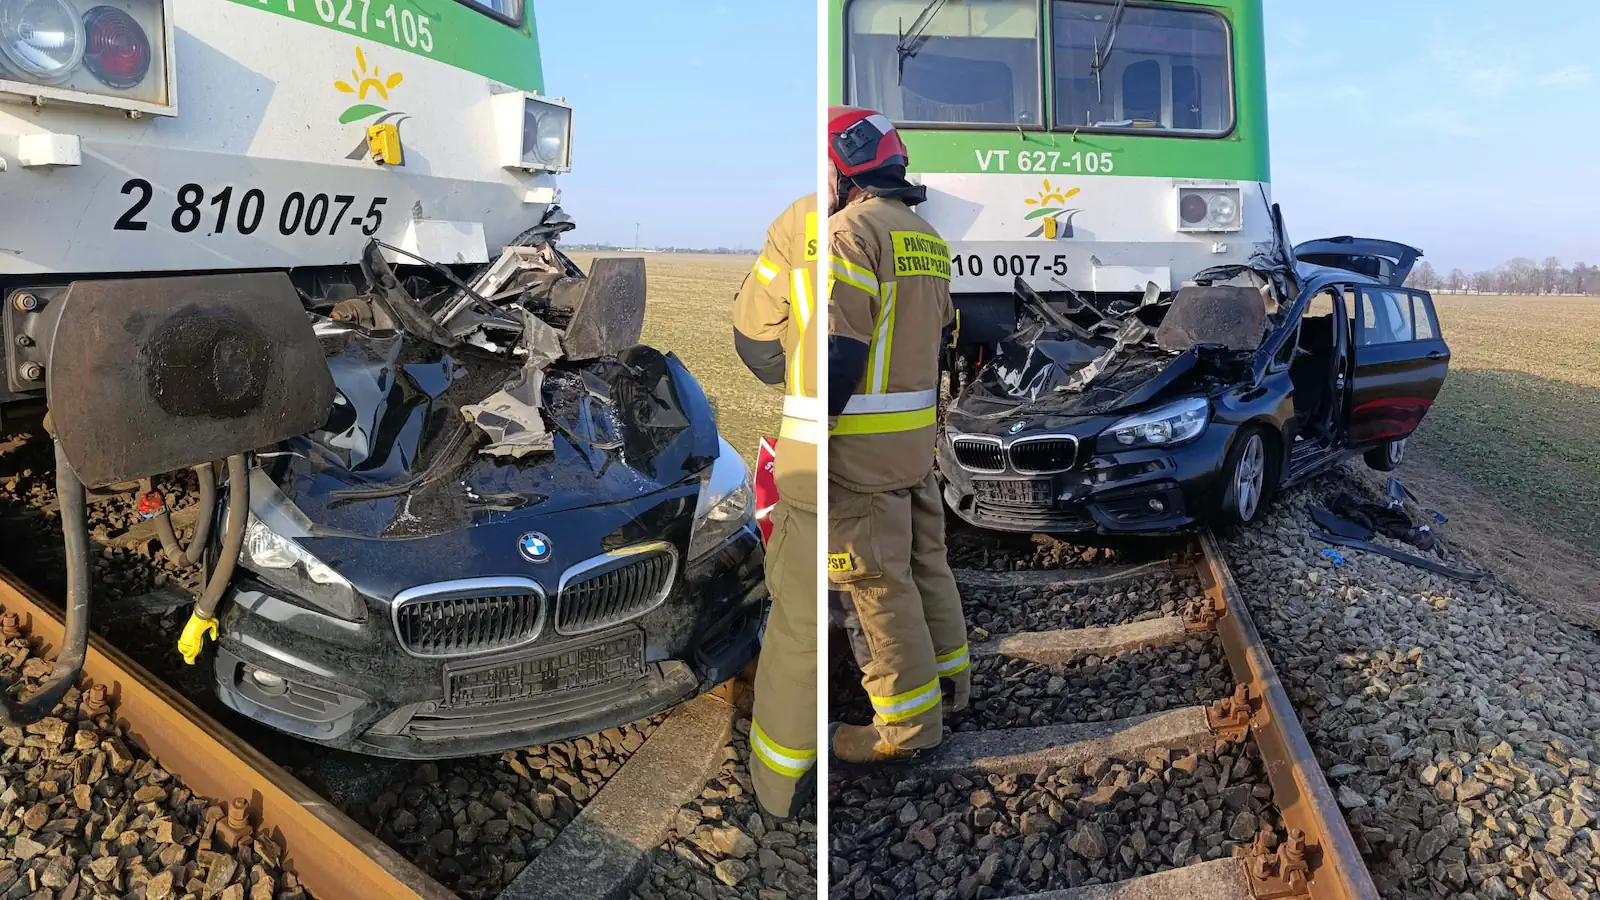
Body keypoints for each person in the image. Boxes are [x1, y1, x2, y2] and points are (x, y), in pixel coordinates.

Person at [826, 106, 970, 763]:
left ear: (840, 169)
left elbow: (840, 353)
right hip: (915, 444)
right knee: (924, 564)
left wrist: (811, 437)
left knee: (876, 586)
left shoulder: (849, 233)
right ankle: (949, 684)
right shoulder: (925, 237)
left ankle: (906, 729)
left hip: (860, 452)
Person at [732, 193, 819, 816]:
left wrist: (796, 372)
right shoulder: (917, 235)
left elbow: (754, 337)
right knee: (905, 574)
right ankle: (929, 711)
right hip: (902, 457)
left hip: (818, 462)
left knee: (799, 624)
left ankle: (781, 792)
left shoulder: (804, 220)